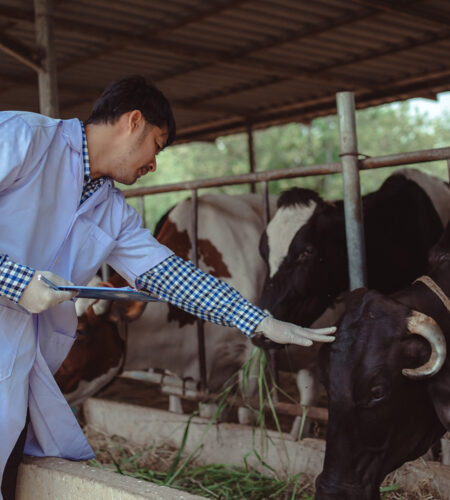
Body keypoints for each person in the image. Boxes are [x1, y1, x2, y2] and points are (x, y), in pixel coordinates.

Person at [0, 75, 335, 499]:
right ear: (134, 121)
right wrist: (13, 281)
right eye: (157, 145)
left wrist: (259, 320)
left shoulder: (111, 211)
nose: (154, 164)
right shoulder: (25, 138)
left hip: (16, 359)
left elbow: (171, 275)